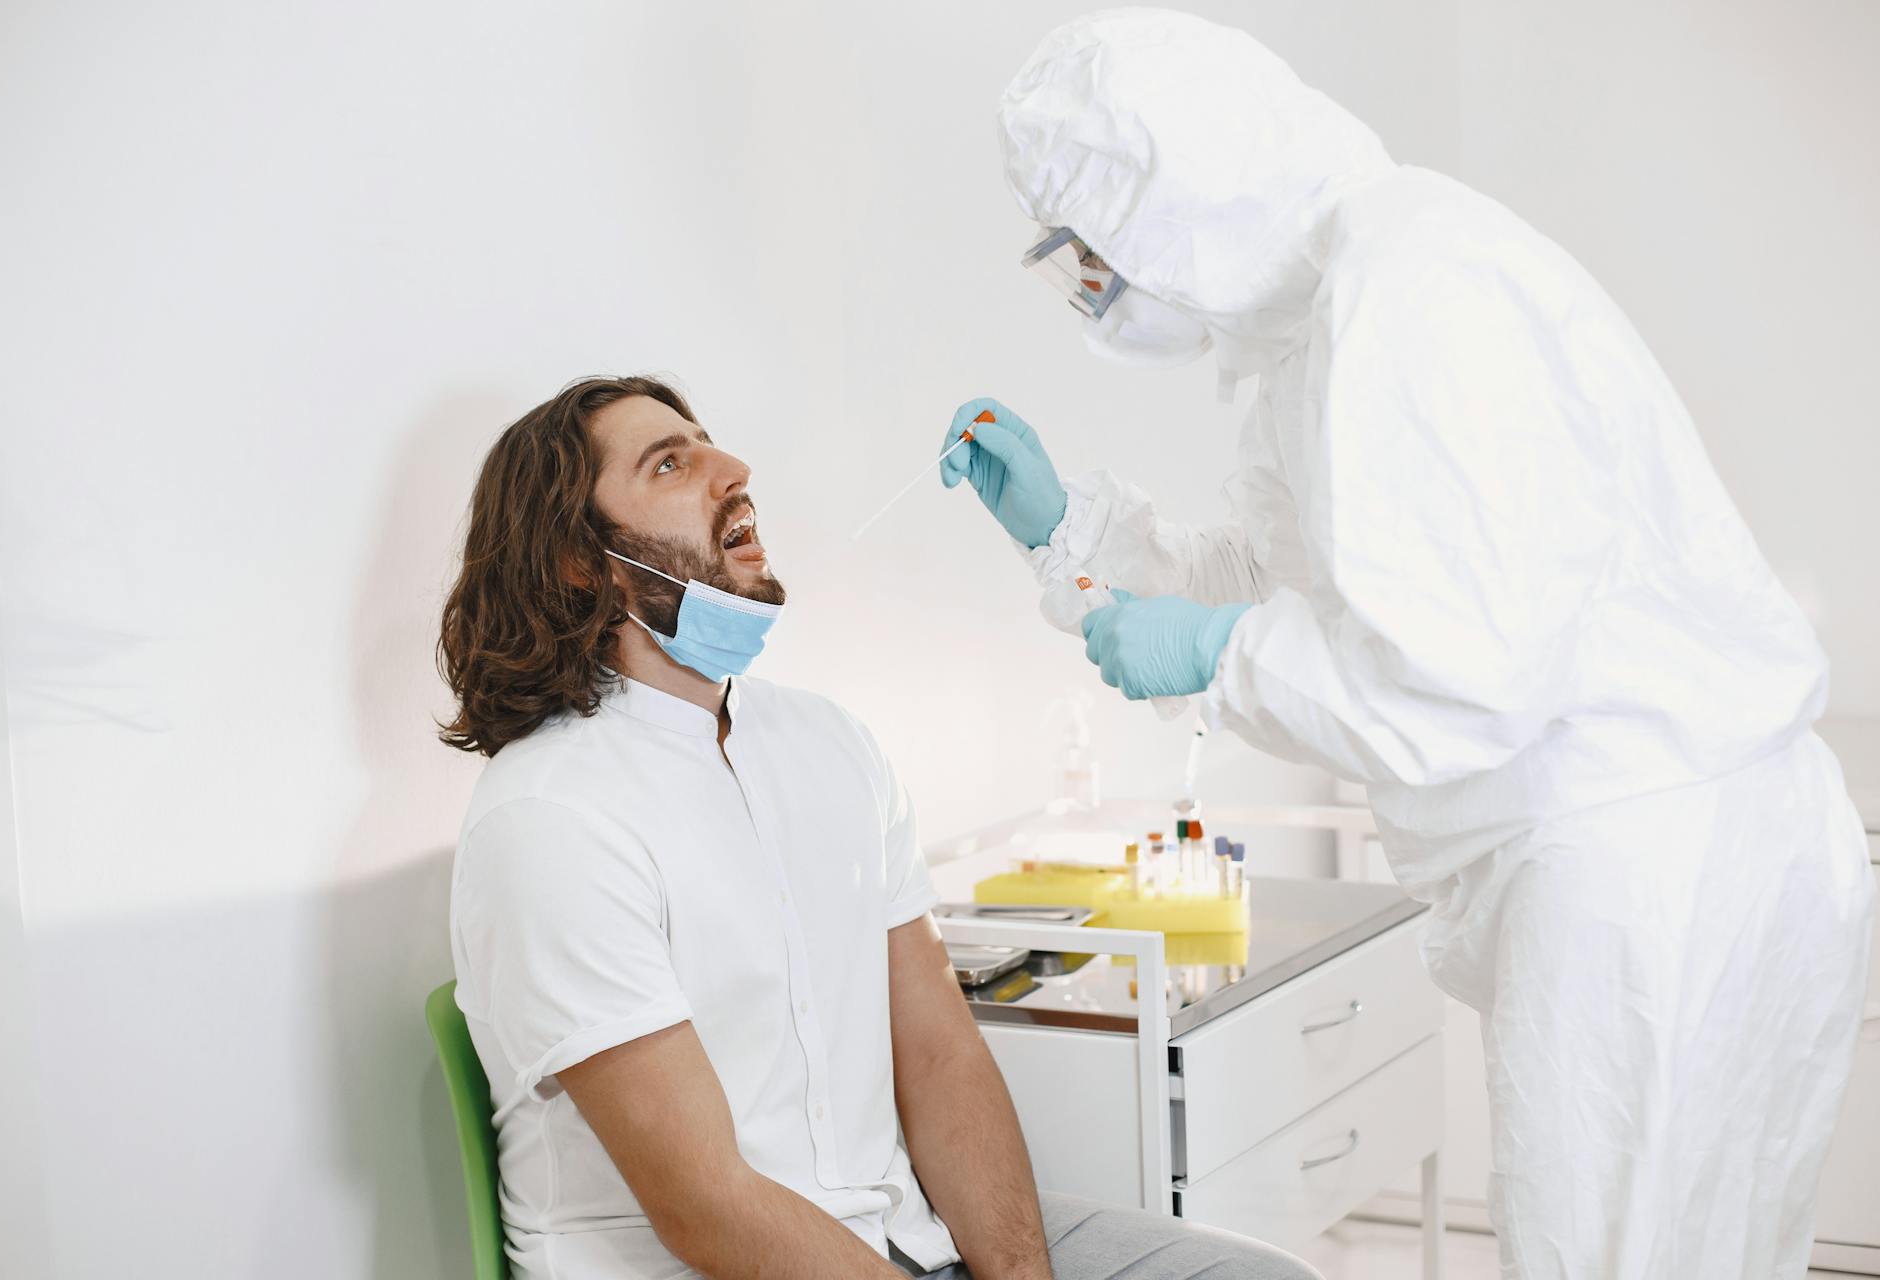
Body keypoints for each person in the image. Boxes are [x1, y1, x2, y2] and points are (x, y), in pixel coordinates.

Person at [941, 11, 1872, 1279]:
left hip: (1645, 861)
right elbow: (1283, 582)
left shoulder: (1415, 294)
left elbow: (1462, 686)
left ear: (1175, 202)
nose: (1092, 285)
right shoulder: (1324, 323)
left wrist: (1220, 650)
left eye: (1089, 248)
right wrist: (1070, 534)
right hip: (1650, 849)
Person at [435, 375, 1321, 1280]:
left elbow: (940, 1057)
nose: (733, 470)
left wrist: (1021, 1275)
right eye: (672, 463)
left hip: (900, 1238)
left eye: (710, 443)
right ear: (585, 564)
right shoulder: (552, 818)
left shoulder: (826, 743)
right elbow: (707, 1209)